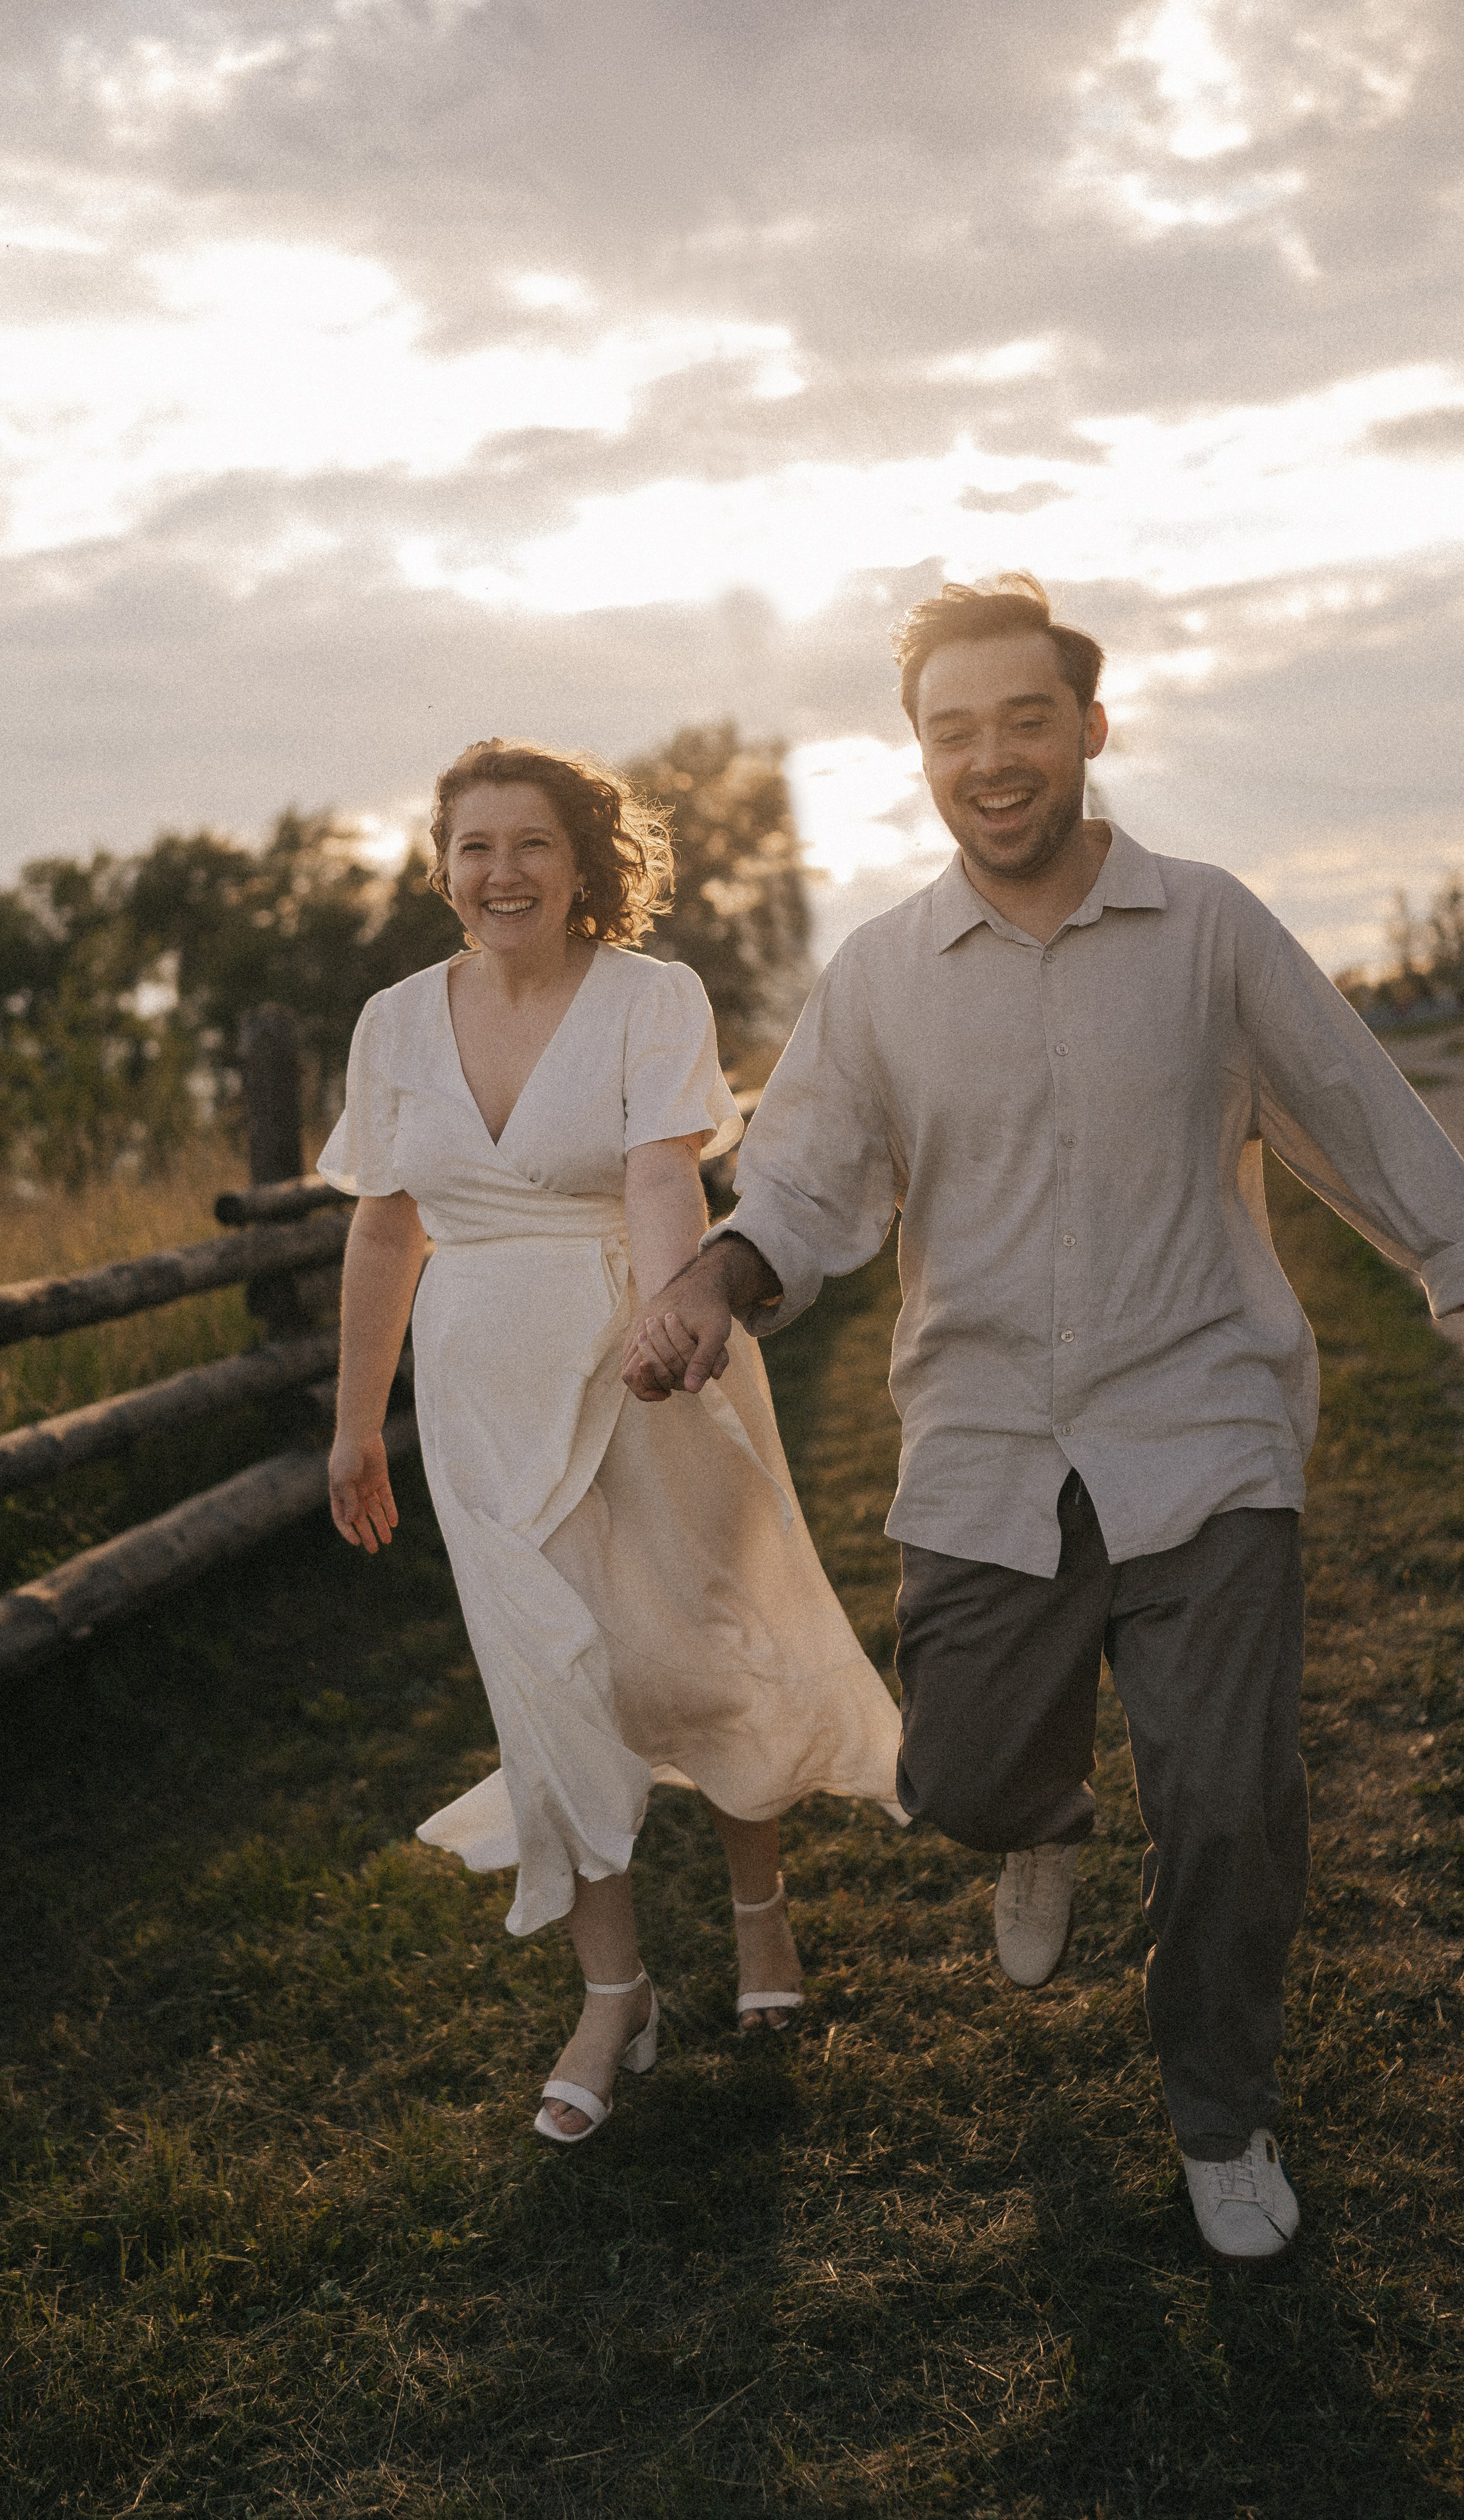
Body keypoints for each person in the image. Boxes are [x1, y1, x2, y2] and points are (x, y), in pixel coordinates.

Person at [623, 573, 1464, 2262]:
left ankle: (1218, 2114)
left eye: (1025, 722)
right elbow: (802, 1184)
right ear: (917, 757)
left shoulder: (1210, 923)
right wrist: (714, 1279)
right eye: (954, 733)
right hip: (989, 1439)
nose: (991, 760)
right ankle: (1033, 1826)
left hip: (1200, 1415)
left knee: (1229, 1794)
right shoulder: (878, 976)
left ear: (1089, 728)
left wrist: (1453, 1265)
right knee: (965, 1776)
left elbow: (1349, 1109)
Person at [321, 738, 904, 2145]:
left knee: (693, 1637)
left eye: (530, 843)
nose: (500, 871)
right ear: (442, 867)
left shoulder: (651, 997)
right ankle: (613, 1988)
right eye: (473, 846)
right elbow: (385, 1223)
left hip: (637, 1359)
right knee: (549, 1679)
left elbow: (661, 1173)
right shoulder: (396, 1022)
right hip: (477, 1389)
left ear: (585, 864)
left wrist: (669, 1325)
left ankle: (759, 1917)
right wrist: (355, 1426)